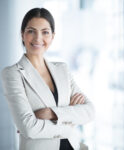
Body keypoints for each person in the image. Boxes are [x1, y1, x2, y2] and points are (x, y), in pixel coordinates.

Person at [0, 8, 94, 150]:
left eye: (45, 32)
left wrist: (52, 113)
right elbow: (29, 128)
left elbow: (89, 111)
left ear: (52, 36)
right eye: (31, 31)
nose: (38, 38)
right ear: (22, 34)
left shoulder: (62, 69)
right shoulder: (13, 74)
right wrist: (69, 122)